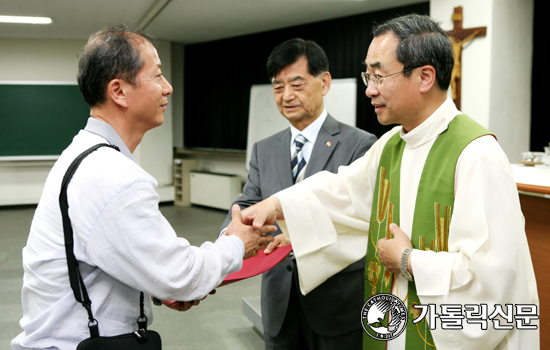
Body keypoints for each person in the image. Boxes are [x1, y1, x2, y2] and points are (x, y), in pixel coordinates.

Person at [242, 14, 539, 350]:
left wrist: (409, 260)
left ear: (425, 76)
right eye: (367, 74)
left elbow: (494, 280)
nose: (369, 89)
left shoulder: (476, 155)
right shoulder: (391, 145)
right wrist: (276, 206)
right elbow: (342, 194)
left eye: (379, 75)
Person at [11, 24, 273, 350]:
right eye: (158, 76)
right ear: (119, 91)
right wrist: (237, 244)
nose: (169, 88)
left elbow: (107, 259)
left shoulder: (87, 155)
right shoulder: (112, 176)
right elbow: (181, 275)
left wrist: (155, 286)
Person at [220, 38, 377, 350]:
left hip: (336, 301)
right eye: (278, 87)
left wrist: (299, 235)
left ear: (324, 82)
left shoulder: (361, 144)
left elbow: (361, 216)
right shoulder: (264, 149)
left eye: (296, 83)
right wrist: (231, 231)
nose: (287, 96)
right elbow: (248, 201)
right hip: (279, 300)